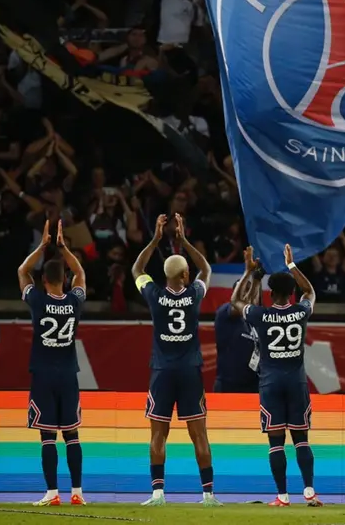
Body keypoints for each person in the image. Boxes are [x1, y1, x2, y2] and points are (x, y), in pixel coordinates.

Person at [131, 213, 221, 507]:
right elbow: (205, 268)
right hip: (190, 371)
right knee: (199, 434)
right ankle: (208, 495)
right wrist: (183, 241)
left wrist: (156, 239)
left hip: (162, 371)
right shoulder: (194, 293)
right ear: (185, 275)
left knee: (159, 433)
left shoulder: (154, 295)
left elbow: (137, 268)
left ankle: (158, 494)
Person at [232, 244, 321, 507]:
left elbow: (236, 303)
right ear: (292, 294)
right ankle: (309, 492)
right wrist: (292, 264)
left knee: (276, 442)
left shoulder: (261, 315)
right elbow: (311, 291)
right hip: (296, 383)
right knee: (301, 439)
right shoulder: (300, 312)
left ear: (271, 294)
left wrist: (249, 273)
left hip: (270, 383)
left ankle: (282, 496)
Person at [18, 220, 88, 507]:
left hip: (43, 373)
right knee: (72, 434)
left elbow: (22, 271)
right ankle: (77, 492)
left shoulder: (37, 300)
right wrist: (64, 248)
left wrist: (42, 247)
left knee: (48, 436)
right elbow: (81, 272)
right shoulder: (74, 301)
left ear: (44, 281)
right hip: (68, 373)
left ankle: (51, 493)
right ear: (65, 279)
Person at [213, 280, 261, 394]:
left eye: (252, 291)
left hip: (254, 384)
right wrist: (252, 275)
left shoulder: (257, 320)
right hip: (229, 385)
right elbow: (238, 307)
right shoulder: (225, 312)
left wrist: (257, 280)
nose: (248, 295)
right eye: (244, 292)